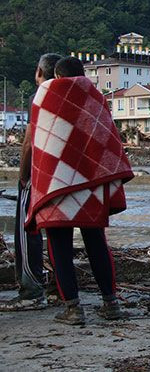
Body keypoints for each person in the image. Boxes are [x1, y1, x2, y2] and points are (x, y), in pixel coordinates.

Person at [26, 56, 133, 325]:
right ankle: (111, 304)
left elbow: (39, 144)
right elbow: (106, 140)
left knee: (59, 245)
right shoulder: (96, 97)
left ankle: (74, 309)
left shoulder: (44, 96)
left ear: (56, 76)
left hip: (56, 183)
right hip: (91, 183)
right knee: (96, 241)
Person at [0, 53, 61, 311]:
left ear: (39, 73)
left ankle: (31, 290)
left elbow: (29, 141)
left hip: (39, 172)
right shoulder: (69, 98)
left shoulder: (39, 96)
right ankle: (61, 288)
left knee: (28, 228)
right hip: (64, 175)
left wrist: (23, 176)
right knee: (60, 230)